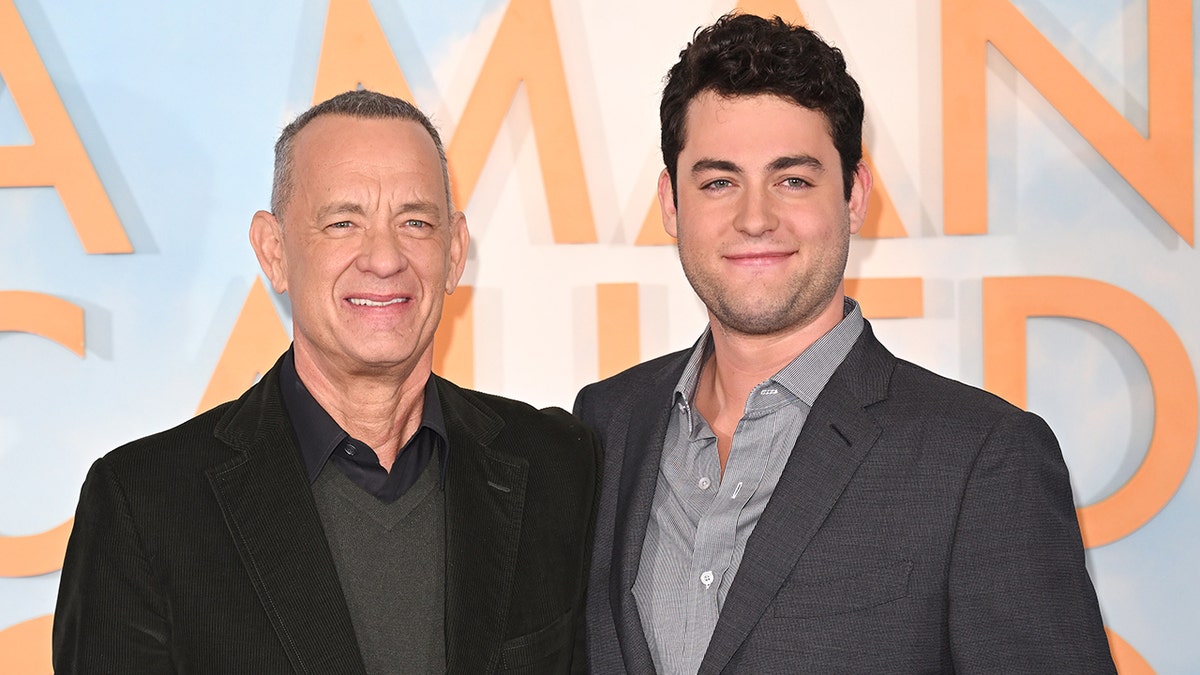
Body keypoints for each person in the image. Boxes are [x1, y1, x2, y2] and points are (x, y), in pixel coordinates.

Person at [575, 13, 1115, 674]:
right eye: (719, 181)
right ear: (671, 202)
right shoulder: (605, 425)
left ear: (855, 195)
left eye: (793, 180)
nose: (755, 217)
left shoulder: (982, 460)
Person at [54, 90, 600, 674]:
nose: (385, 258)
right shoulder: (145, 504)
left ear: (455, 250)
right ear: (274, 251)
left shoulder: (556, 469)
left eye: (415, 222)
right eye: (343, 223)